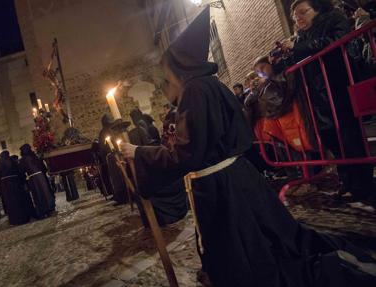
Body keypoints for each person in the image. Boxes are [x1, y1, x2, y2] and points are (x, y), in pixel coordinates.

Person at [120, 6, 376, 287]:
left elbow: (189, 153)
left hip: (223, 189)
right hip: (236, 179)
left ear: (180, 67)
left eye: (168, 74)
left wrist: (139, 153)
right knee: (263, 242)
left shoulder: (195, 90)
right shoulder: (209, 85)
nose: (166, 81)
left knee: (248, 261)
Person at [276, 0, 374, 203]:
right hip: (317, 93)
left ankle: (362, 184)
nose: (299, 18)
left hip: (339, 84)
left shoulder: (333, 18)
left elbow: (335, 42)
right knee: (331, 136)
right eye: (295, 16)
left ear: (317, 9)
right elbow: (296, 60)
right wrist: (284, 57)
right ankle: (347, 182)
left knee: (349, 134)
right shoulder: (301, 35)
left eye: (303, 12)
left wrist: (298, 46)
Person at [0, 151, 30, 225]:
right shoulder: (12, 161)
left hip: (6, 186)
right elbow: (19, 170)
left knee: (10, 203)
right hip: (15, 183)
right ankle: (23, 218)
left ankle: (15, 220)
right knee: (18, 200)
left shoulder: (0, 164)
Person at [19, 144, 55, 219]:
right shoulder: (35, 156)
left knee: (37, 195)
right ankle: (49, 209)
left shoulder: (22, 160)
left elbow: (22, 170)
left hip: (33, 179)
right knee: (45, 193)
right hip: (41, 176)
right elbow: (42, 166)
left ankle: (42, 211)